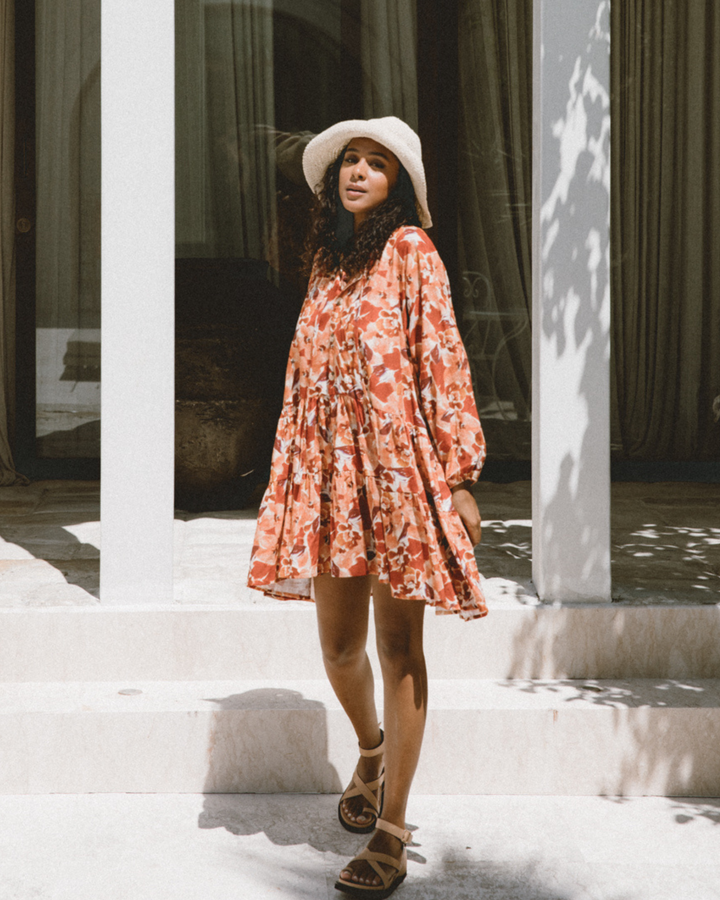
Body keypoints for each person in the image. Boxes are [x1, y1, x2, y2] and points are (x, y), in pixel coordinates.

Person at [247, 116, 487, 898]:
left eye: (376, 163)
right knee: (339, 648)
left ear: (399, 184)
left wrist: (459, 476)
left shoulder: (411, 250)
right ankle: (372, 750)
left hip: (397, 470)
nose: (357, 171)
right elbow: (304, 373)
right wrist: (296, 468)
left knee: (398, 648)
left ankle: (393, 829)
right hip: (331, 474)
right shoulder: (326, 260)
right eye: (350, 160)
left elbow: (441, 357)